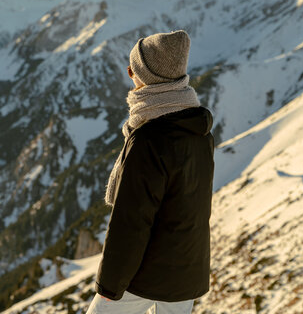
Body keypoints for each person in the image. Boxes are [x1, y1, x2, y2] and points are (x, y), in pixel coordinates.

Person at [86, 30, 215, 314]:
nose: (129, 73)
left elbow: (130, 222)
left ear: (149, 75)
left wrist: (109, 286)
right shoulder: (199, 132)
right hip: (187, 271)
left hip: (147, 273)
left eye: (133, 68)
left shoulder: (148, 139)